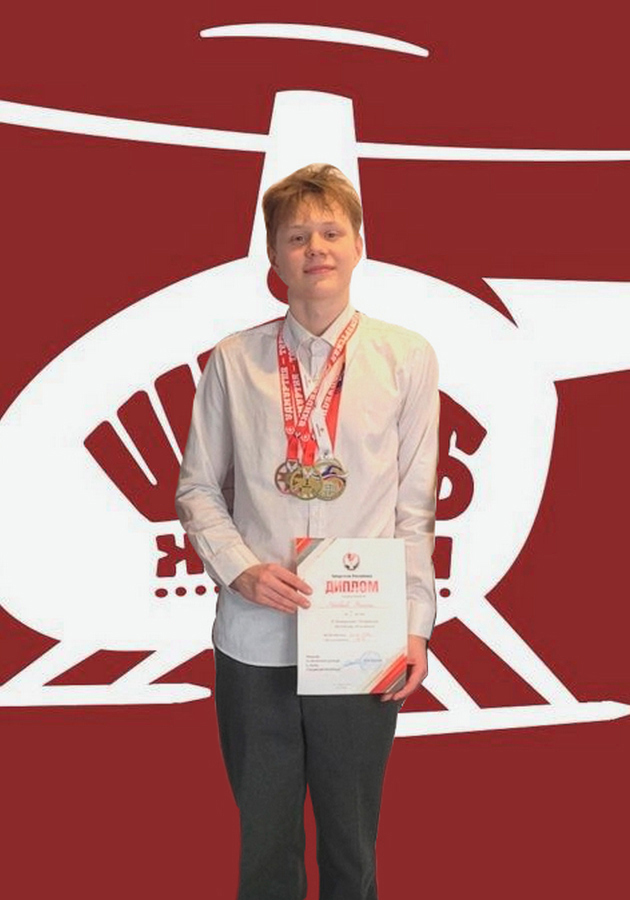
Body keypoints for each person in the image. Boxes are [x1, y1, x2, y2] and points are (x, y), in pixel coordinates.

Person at [175, 163, 440, 900]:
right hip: (254, 637)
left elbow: (414, 507)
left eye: (330, 232)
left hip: (361, 636)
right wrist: (240, 569)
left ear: (359, 245)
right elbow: (197, 487)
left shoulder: (406, 357)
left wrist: (415, 625)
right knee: (266, 846)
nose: (315, 248)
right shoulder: (235, 360)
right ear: (273, 256)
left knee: (352, 845)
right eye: (297, 237)